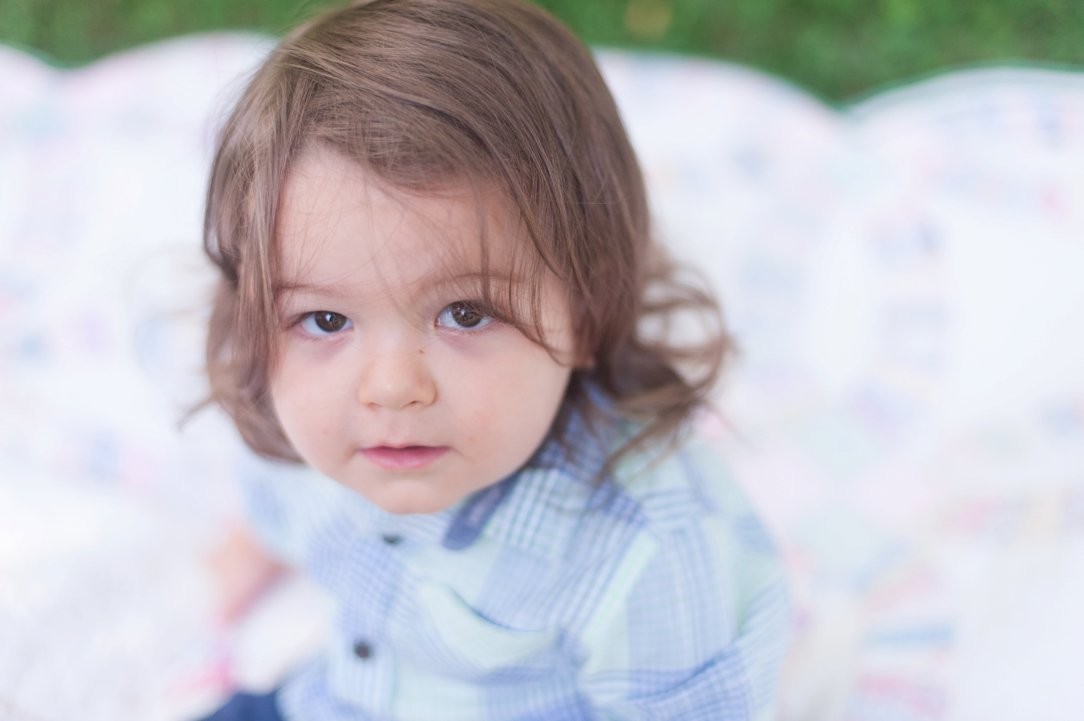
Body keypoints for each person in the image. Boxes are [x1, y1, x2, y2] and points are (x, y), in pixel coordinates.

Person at [198, 0, 789, 718]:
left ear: (588, 308)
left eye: (467, 314)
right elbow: (277, 493)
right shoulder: (293, 414)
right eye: (326, 320)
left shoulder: (645, 552)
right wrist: (257, 544)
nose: (392, 388)